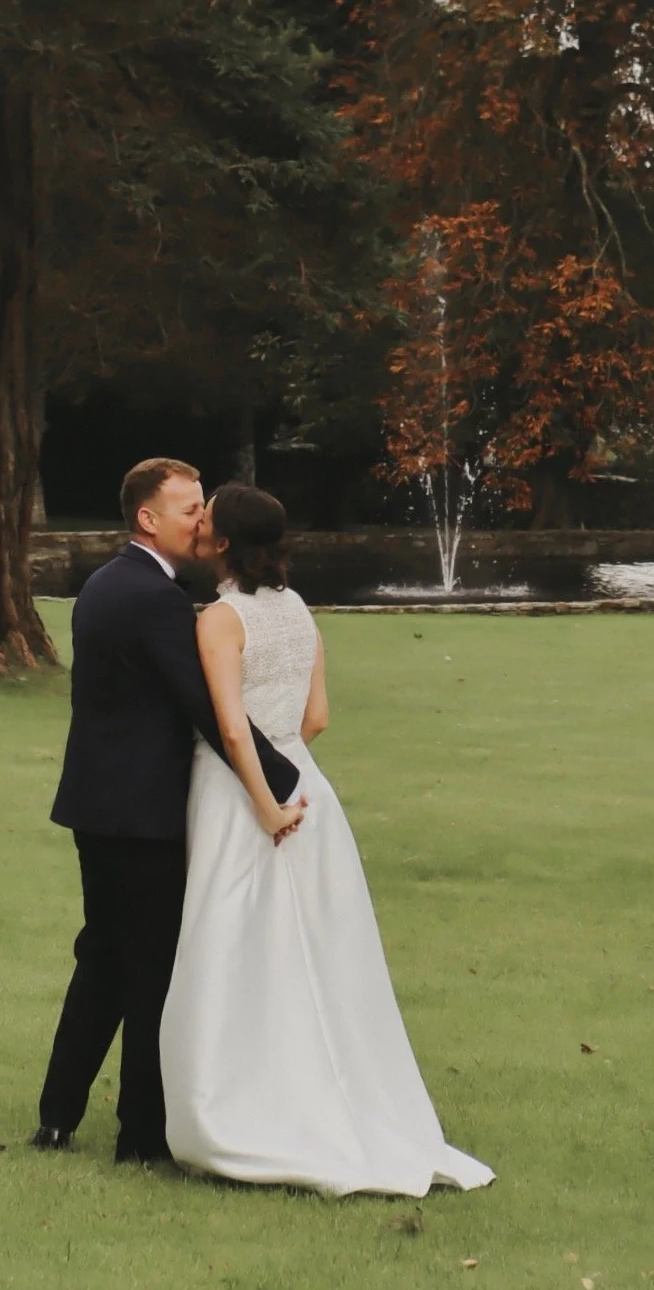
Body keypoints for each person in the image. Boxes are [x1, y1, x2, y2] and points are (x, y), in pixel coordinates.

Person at [160, 482, 494, 1198]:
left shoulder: (221, 618)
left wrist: (263, 802)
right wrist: (290, 777)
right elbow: (316, 715)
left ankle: (237, 1102)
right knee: (313, 947)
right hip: (307, 784)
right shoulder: (299, 608)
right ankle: (321, 1090)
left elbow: (227, 727)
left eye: (207, 518)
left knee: (235, 938)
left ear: (222, 542)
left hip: (243, 793)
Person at [33, 458, 305, 1165]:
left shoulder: (101, 584)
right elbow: (207, 708)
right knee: (150, 970)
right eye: (190, 508)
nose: (202, 520)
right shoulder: (155, 599)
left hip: (95, 805)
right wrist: (281, 782)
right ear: (148, 517)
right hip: (143, 813)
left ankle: (57, 1115)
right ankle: (140, 1137)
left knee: (101, 958)